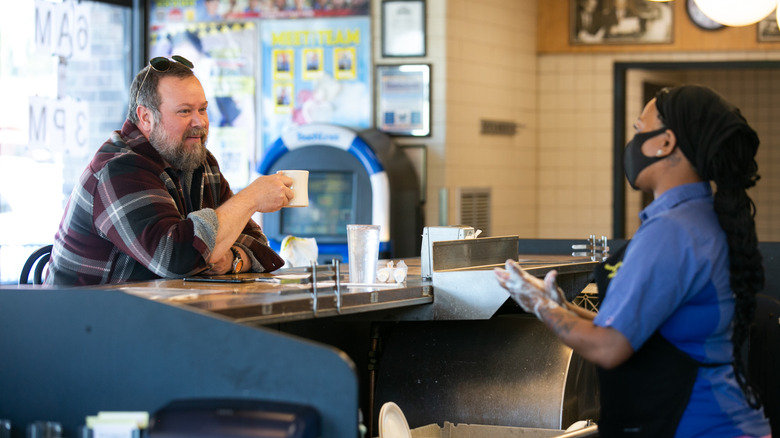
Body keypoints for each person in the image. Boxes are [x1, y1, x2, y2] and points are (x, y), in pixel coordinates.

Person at [495, 85, 772, 437]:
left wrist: (540, 308)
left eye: (639, 129)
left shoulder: (672, 231)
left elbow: (609, 347)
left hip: (697, 425)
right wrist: (562, 306)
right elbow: (641, 331)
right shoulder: (694, 218)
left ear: (665, 142)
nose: (634, 142)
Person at [45, 56, 294, 286]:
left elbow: (262, 249)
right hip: (81, 323)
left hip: (149, 317)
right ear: (145, 117)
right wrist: (250, 199)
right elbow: (176, 258)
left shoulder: (199, 160)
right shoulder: (119, 169)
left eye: (203, 109)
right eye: (185, 111)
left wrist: (231, 260)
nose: (199, 122)